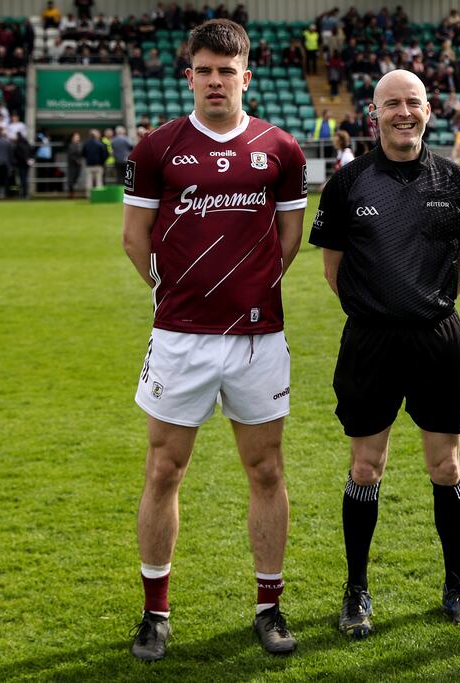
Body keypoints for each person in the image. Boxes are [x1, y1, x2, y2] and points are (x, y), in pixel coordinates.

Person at [122, 18, 307, 662]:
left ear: (246, 77)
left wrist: (247, 295)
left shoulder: (280, 148)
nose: (216, 81)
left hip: (259, 340)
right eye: (204, 70)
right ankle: (154, 612)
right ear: (190, 76)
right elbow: (133, 238)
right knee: (164, 468)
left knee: (266, 469)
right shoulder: (156, 148)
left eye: (227, 71)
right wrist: (177, 298)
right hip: (180, 337)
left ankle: (269, 606)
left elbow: (289, 241)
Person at [308, 69, 460, 640]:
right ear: (373, 112)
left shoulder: (457, 181)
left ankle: (455, 585)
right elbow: (333, 270)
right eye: (392, 104)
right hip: (371, 340)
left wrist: (422, 306)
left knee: (447, 465)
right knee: (366, 466)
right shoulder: (348, 183)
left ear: (429, 110)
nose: (403, 112)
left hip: (436, 337)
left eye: (413, 102)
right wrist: (380, 309)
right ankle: (356, 589)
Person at [66, 131, 83, 197]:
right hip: (72, 165)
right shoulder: (70, 145)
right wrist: (76, 160)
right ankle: (71, 193)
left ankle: (72, 191)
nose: (77, 138)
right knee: (71, 179)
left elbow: (82, 153)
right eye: (76, 137)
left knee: (76, 177)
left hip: (78, 165)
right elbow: (70, 155)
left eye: (78, 137)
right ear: (73, 138)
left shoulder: (80, 145)